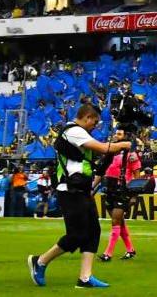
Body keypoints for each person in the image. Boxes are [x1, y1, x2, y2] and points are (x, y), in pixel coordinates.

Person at [27, 104, 132, 288]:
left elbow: (93, 160)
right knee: (76, 235)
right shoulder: (74, 131)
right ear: (88, 117)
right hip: (69, 190)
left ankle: (85, 278)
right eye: (95, 122)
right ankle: (41, 261)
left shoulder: (76, 132)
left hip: (80, 189)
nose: (95, 126)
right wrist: (122, 144)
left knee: (93, 231)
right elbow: (100, 147)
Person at [93, 129, 141, 261]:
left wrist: (134, 195)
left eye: (119, 134)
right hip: (109, 188)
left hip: (123, 188)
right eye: (116, 133)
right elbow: (102, 170)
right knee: (120, 222)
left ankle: (108, 253)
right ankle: (130, 250)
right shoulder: (110, 151)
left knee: (115, 220)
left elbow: (137, 176)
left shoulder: (131, 154)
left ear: (126, 136)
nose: (116, 135)